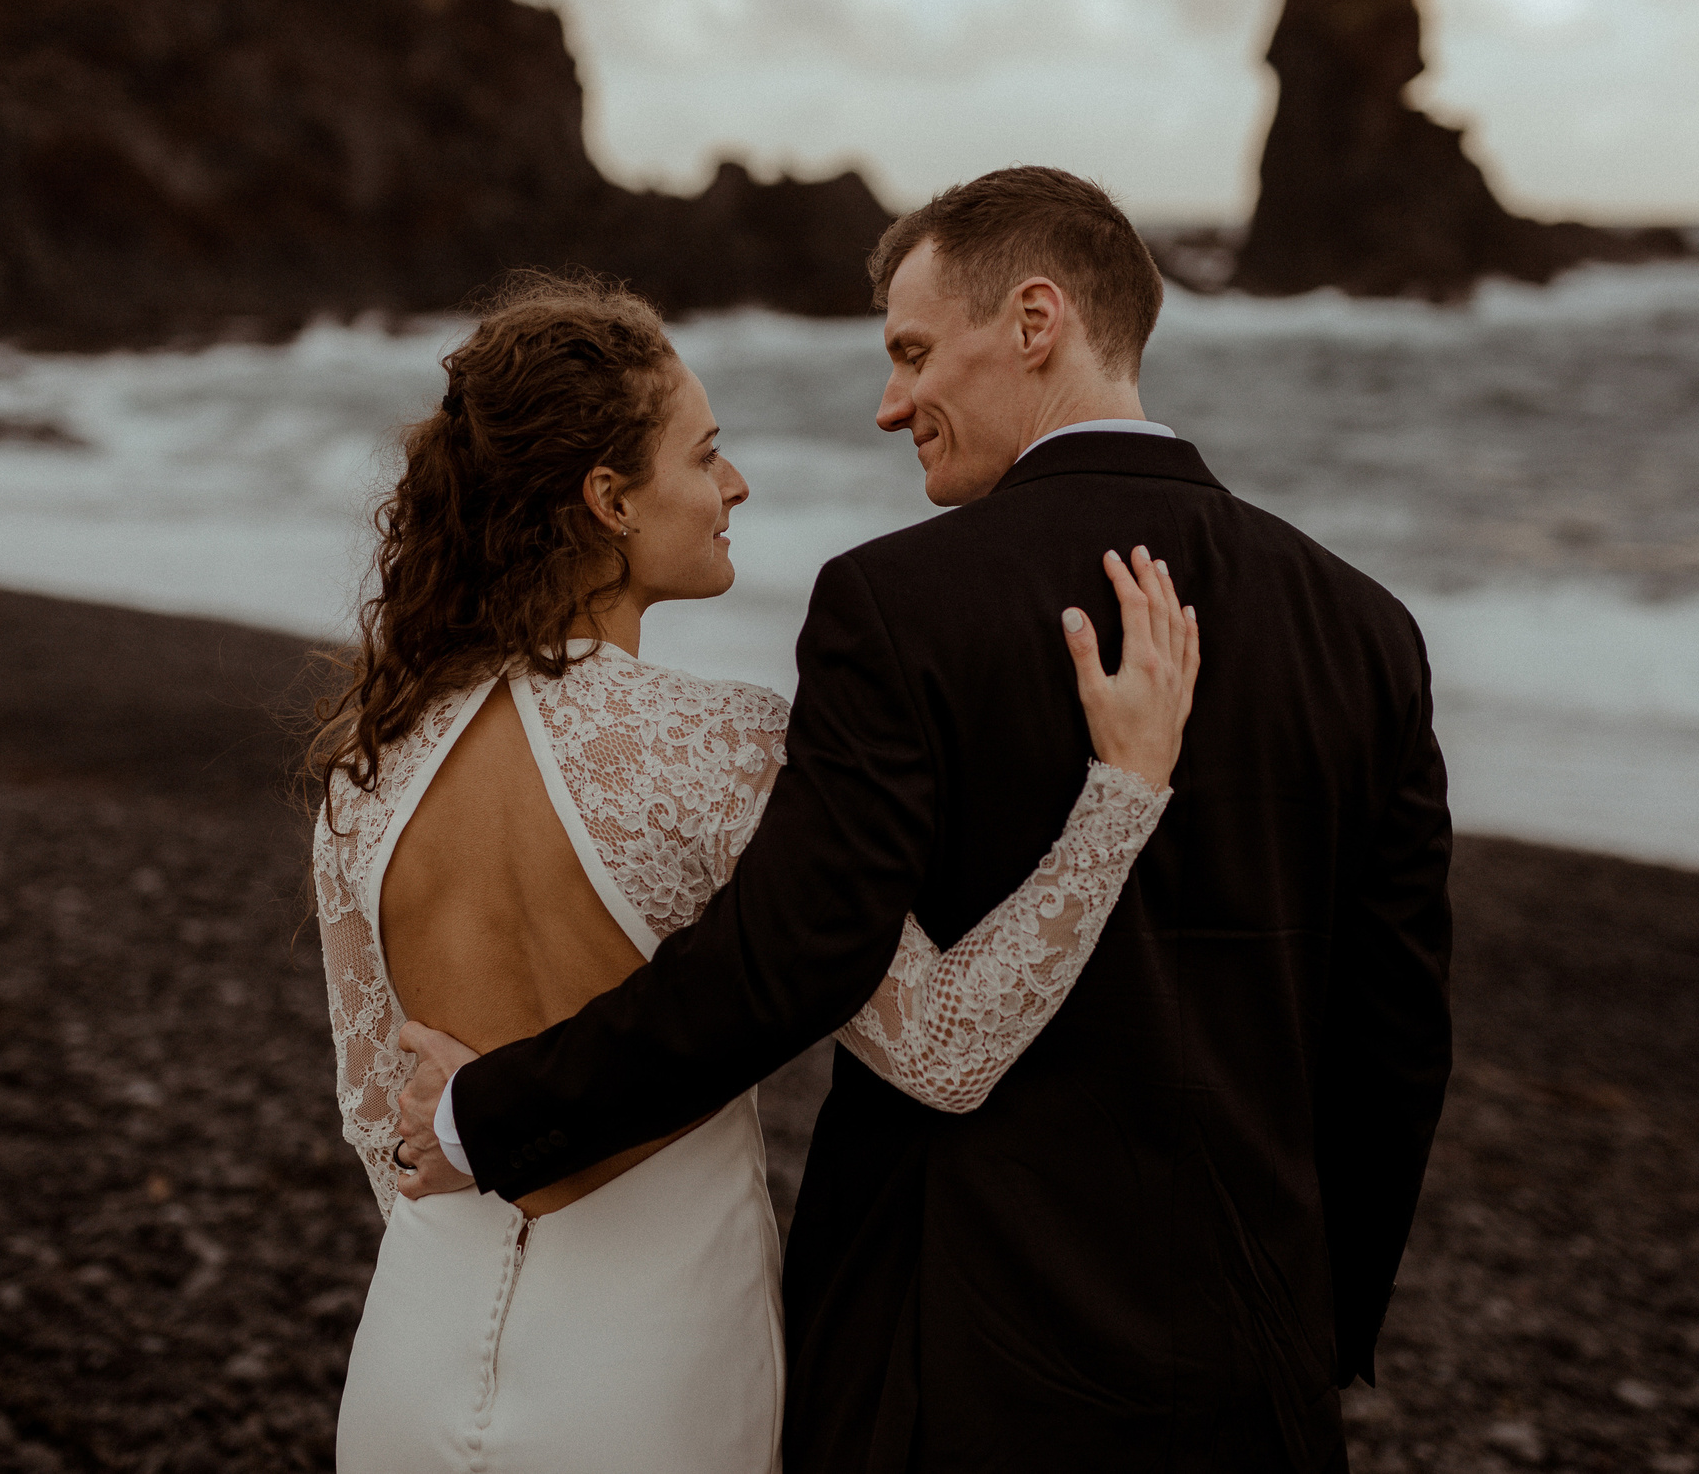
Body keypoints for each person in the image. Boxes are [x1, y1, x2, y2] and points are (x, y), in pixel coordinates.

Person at [395, 168, 1455, 1473]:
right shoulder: (1364, 628)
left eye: (909, 352)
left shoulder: (896, 605)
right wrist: (1317, 1321)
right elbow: (1394, 1031)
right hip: (1253, 1367)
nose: (890, 403)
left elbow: (788, 959)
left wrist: (486, 1114)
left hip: (950, 1356)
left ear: (1035, 320)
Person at [308, 270, 1201, 1473]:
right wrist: (1123, 793)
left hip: (412, 1359)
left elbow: (384, 1126)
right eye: (706, 455)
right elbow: (943, 1050)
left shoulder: (372, 763)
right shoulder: (722, 747)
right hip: (652, 1372)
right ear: (610, 500)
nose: (735, 484)